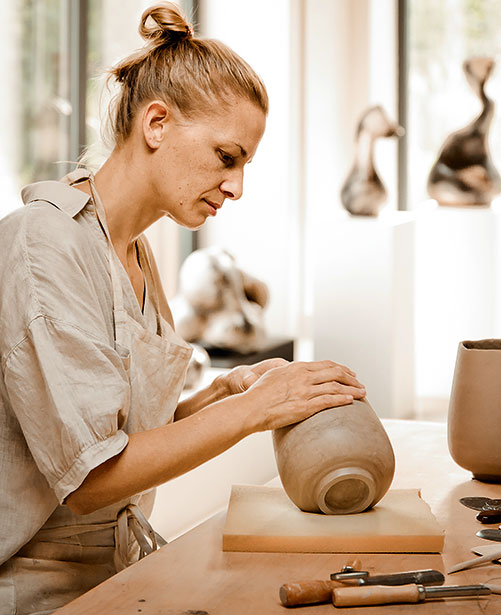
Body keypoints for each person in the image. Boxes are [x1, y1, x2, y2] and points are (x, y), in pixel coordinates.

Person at [0, 4, 366, 613]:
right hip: (40, 587)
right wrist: (255, 409)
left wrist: (224, 394)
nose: (236, 186)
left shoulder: (133, 249)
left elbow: (128, 435)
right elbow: (92, 480)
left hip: (114, 570)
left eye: (244, 164)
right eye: (227, 157)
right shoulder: (46, 244)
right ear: (158, 123)